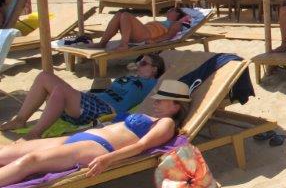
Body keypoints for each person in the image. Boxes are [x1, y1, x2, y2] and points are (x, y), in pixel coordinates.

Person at [0, 79, 192, 187]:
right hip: (79, 138)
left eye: (161, 100)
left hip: (97, 148)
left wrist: (107, 159)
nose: (155, 102)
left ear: (176, 106)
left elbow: (141, 146)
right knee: (7, 152)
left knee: (30, 161)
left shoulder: (167, 123)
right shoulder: (152, 117)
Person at [0, 54, 165, 139]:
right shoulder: (130, 77)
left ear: (155, 69)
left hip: (103, 110)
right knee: (44, 76)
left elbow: (168, 79)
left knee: (59, 91)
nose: (139, 65)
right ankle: (20, 119)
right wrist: (134, 70)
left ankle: (35, 133)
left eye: (143, 63)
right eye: (139, 61)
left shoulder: (152, 84)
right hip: (91, 101)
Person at [88, 7, 192, 50]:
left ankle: (124, 44)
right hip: (141, 33)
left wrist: (154, 41)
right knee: (119, 14)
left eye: (172, 10)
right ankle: (102, 43)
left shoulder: (176, 23)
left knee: (125, 15)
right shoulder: (165, 21)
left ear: (177, 14)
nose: (169, 10)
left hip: (146, 35)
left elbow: (169, 35)